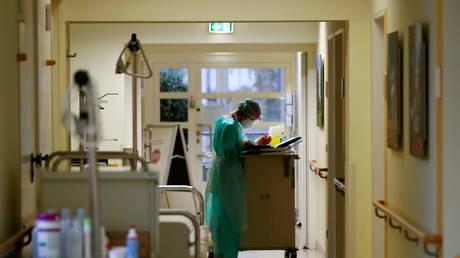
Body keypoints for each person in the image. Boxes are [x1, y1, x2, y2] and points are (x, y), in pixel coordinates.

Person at [205, 99, 271, 258]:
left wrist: (248, 144)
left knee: (219, 212)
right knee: (229, 214)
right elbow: (231, 152)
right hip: (228, 173)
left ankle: (215, 249)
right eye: (253, 120)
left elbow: (233, 146)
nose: (251, 123)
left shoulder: (223, 120)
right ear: (246, 115)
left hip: (221, 171)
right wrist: (253, 145)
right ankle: (223, 251)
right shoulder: (230, 126)